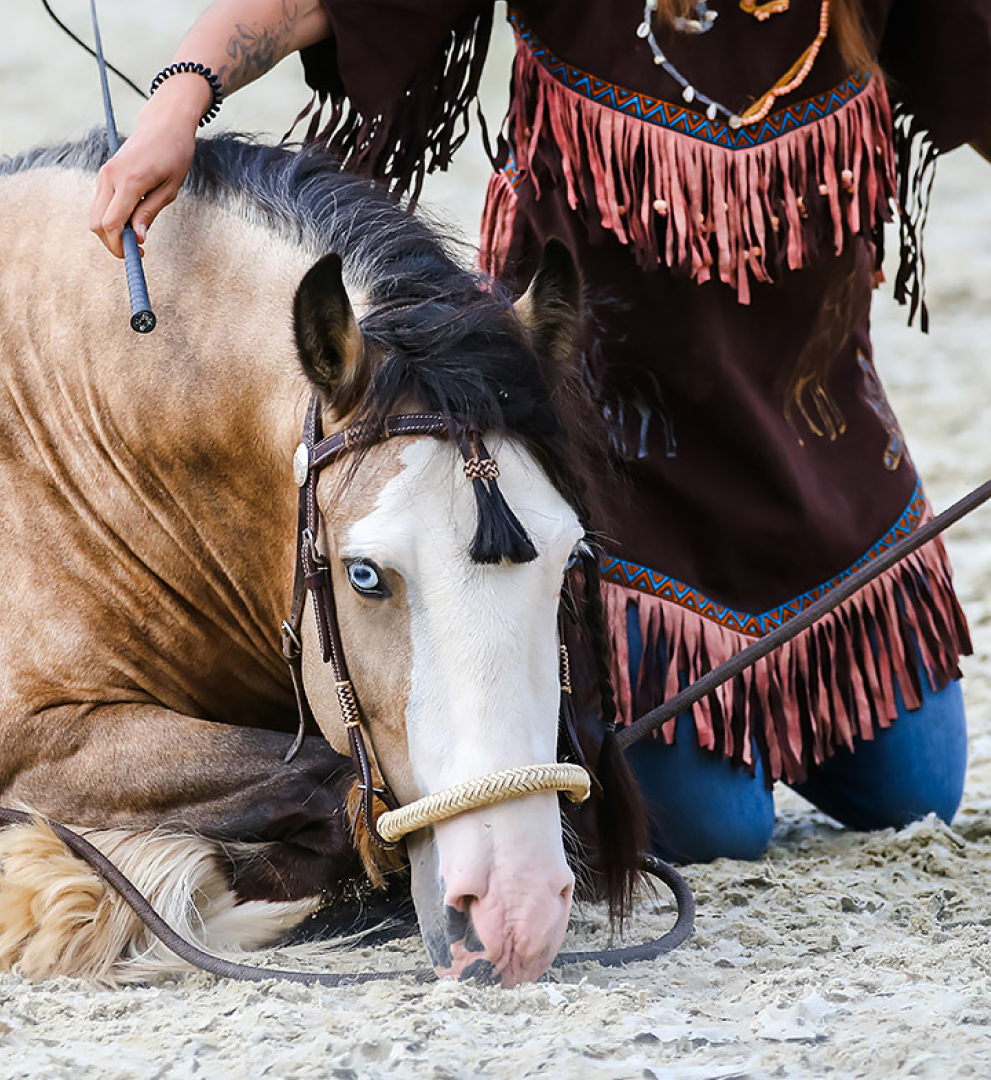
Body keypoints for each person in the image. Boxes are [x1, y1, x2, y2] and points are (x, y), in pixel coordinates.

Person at [91, 0, 991, 863]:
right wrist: (179, 99)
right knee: (723, 832)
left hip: (823, 472)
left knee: (914, 794)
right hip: (619, 481)